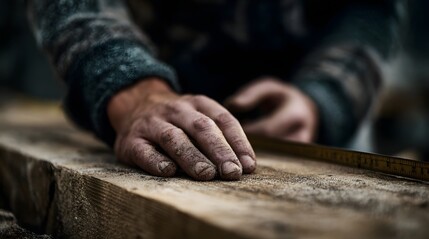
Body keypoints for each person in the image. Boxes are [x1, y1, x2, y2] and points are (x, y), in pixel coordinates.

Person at [26, 0, 399, 181]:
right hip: (147, 105)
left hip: (315, 129)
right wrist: (132, 86)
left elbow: (373, 10)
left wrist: (323, 97)